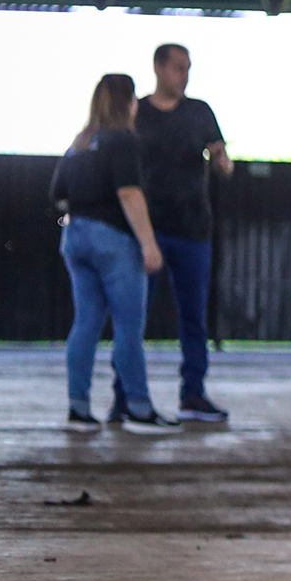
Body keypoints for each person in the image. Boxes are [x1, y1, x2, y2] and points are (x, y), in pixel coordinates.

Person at [56, 72, 174, 434]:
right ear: (129, 102)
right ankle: (138, 408)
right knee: (127, 328)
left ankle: (79, 409)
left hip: (75, 236)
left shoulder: (80, 142)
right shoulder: (124, 140)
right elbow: (129, 193)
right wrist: (149, 243)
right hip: (114, 242)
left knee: (86, 323)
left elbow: (57, 194)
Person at [127, 42, 232, 422]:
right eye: (177, 67)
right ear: (158, 68)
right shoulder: (137, 112)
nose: (184, 75)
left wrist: (221, 162)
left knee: (193, 317)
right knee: (133, 316)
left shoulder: (200, 111)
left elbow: (222, 157)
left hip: (192, 230)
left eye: (187, 68)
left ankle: (193, 394)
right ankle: (126, 396)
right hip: (149, 230)